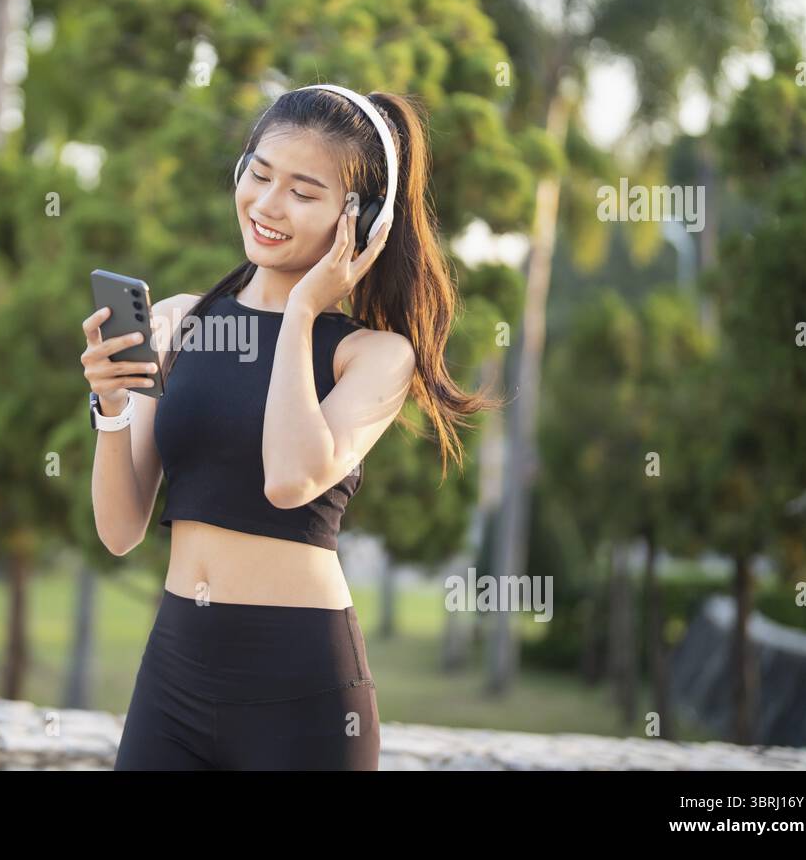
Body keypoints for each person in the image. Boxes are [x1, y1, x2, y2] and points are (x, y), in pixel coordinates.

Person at [82, 85, 496, 770]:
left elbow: (288, 478)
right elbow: (121, 531)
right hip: (174, 675)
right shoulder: (182, 322)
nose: (269, 206)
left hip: (301, 693)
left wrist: (302, 312)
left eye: (304, 193)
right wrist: (111, 408)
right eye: (260, 174)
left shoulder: (370, 355)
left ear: (358, 221)